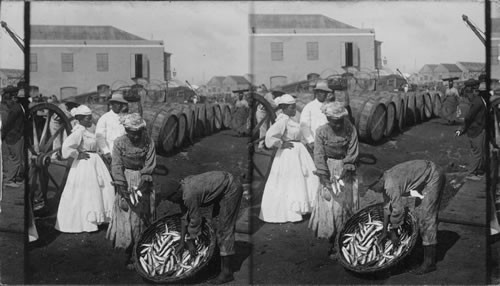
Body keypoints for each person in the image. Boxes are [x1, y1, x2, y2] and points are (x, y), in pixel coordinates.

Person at [163, 171, 243, 284]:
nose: (171, 202)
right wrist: (181, 242)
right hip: (221, 188)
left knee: (224, 230)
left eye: (170, 199)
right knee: (216, 225)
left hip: (231, 188)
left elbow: (196, 220)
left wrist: (190, 241)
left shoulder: (189, 195)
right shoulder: (183, 190)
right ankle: (218, 258)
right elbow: (185, 218)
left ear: (175, 193)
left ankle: (227, 273)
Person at [368, 159, 445, 275]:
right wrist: (384, 231)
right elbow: (387, 208)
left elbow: (398, 210)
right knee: (418, 213)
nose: (372, 190)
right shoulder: (386, 180)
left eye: (371, 187)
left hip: (433, 176)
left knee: (426, 218)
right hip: (423, 178)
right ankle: (422, 247)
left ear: (378, 181)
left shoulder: (391, 185)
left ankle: (430, 262)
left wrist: (393, 232)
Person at [308, 101, 359, 260]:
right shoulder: (321, 132)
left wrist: (348, 164)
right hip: (329, 169)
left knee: (344, 206)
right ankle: (332, 238)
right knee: (330, 206)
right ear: (328, 119)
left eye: (339, 121)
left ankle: (344, 240)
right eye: (333, 122)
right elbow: (318, 154)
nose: (337, 125)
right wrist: (324, 176)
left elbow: (353, 149)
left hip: (346, 168)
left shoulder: (350, 128)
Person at [106, 113, 156, 269]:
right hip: (126, 179)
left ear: (142, 130)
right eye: (131, 133)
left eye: (138, 133)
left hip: (142, 179)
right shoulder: (119, 143)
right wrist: (122, 186)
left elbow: (150, 162)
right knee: (126, 213)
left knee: (142, 215)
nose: (135, 136)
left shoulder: (148, 140)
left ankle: (141, 250)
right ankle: (127, 247)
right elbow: (116, 165)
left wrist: (144, 180)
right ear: (126, 130)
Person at [259, 94, 319, 223]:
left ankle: (303, 208)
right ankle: (291, 212)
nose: (294, 110)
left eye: (294, 107)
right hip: (289, 154)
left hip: (298, 152)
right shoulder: (283, 120)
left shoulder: (291, 120)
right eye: (292, 108)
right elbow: (270, 136)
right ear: (284, 108)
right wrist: (281, 143)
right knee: (292, 182)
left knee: (304, 178)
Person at [55, 105, 115, 233]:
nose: (90, 120)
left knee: (102, 188)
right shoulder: (79, 131)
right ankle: (85, 222)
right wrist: (77, 154)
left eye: (90, 118)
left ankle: (100, 218)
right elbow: (67, 146)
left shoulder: (88, 131)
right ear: (80, 119)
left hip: (95, 162)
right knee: (87, 192)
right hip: (85, 164)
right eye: (87, 119)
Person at [455, 81, 487, 180]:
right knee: (477, 153)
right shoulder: (478, 101)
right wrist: (462, 129)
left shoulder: (480, 100)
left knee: (477, 151)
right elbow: (469, 117)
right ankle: (471, 173)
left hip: (477, 129)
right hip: (476, 130)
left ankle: (477, 170)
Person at [95, 91, 128, 166]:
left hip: (124, 154)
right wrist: (106, 152)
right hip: (111, 153)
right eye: (117, 103)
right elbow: (100, 137)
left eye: (121, 104)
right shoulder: (105, 118)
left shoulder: (124, 118)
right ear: (112, 104)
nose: (119, 106)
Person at [2, 86, 26, 188]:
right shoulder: (16, 108)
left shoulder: (16, 107)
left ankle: (11, 177)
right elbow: (8, 123)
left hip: (14, 135)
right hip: (14, 136)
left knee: (14, 157)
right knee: (15, 159)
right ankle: (9, 180)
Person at [300, 81, 331, 154]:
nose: (325, 94)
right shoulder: (309, 107)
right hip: (315, 142)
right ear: (317, 93)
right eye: (322, 92)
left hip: (329, 143)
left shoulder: (330, 106)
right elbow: (304, 126)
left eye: (326, 92)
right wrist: (310, 141)